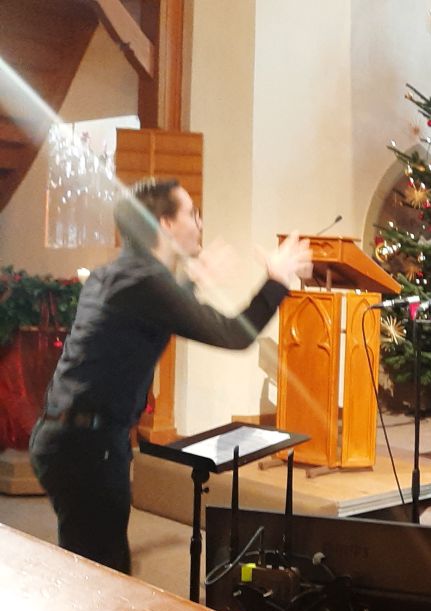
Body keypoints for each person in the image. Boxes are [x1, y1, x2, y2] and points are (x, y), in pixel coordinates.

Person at [29, 178, 312, 574]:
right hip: (88, 449)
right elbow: (234, 335)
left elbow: (146, 313)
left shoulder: (117, 274)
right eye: (192, 214)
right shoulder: (147, 284)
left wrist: (190, 282)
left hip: (66, 439)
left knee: (93, 566)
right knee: (101, 577)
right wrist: (277, 281)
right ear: (164, 223)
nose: (200, 223)